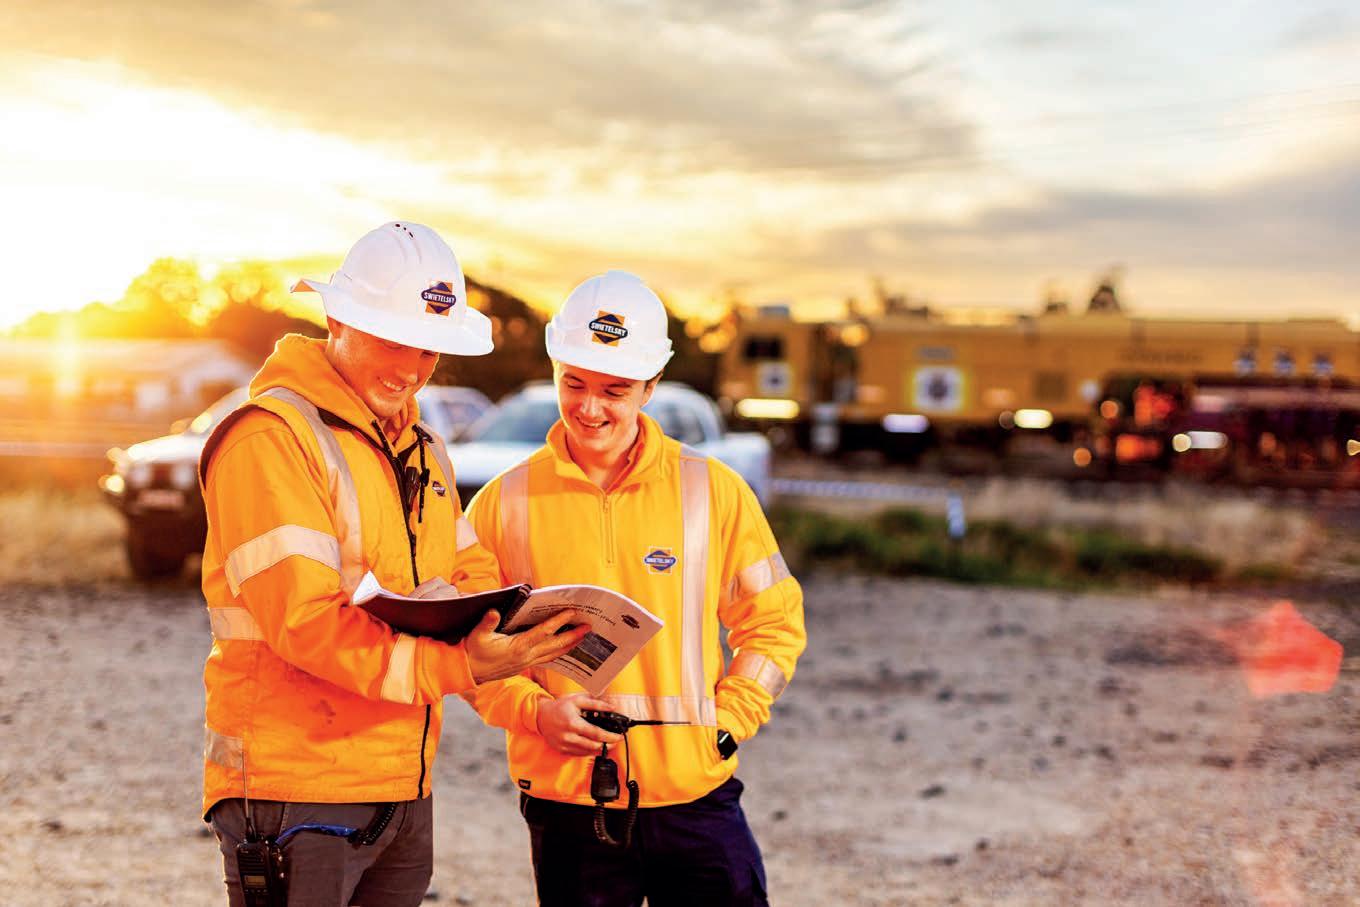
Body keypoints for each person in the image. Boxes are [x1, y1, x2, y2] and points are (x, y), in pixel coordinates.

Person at [198, 221, 588, 907]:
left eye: (429, 348)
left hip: (403, 790)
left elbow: (468, 579)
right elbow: (305, 623)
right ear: (337, 320)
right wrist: (461, 665)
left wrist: (521, 666)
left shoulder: (423, 446)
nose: (411, 369)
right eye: (393, 339)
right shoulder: (271, 439)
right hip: (297, 792)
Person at [463, 270, 806, 906]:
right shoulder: (501, 503)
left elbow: (774, 623)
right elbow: (471, 652)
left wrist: (730, 722)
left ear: (651, 384)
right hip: (568, 800)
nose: (590, 408)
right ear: (555, 368)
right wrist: (534, 712)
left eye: (615, 390)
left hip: (695, 793)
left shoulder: (713, 491)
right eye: (575, 384)